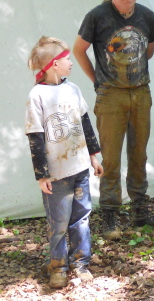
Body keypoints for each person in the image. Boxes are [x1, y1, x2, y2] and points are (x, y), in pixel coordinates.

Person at [72, 0, 154, 240]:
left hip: (141, 93)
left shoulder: (147, 16)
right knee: (110, 158)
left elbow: (148, 51)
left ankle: (139, 209)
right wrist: (97, 80)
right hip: (111, 95)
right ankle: (110, 213)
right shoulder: (97, 16)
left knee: (139, 154)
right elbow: (78, 50)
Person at [25, 37, 104, 288]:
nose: (71, 63)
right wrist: (42, 175)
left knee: (82, 218)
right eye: (67, 59)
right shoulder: (37, 95)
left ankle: (80, 262)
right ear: (54, 64)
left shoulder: (73, 89)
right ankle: (58, 266)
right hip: (57, 174)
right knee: (59, 222)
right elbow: (35, 137)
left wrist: (93, 157)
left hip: (80, 168)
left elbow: (85, 123)